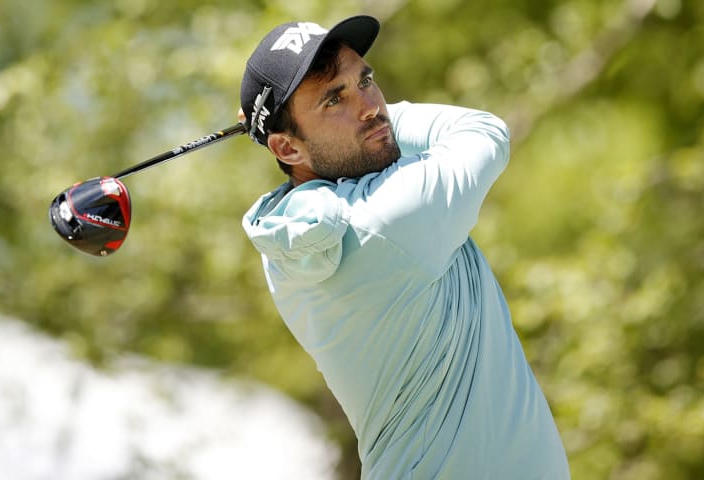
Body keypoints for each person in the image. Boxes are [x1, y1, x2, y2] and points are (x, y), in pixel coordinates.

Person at [239, 15, 570, 479]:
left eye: (366, 81)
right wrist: (383, 119)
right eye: (335, 98)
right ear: (288, 150)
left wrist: (321, 124)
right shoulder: (390, 219)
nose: (370, 106)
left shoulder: (298, 227)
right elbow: (483, 131)